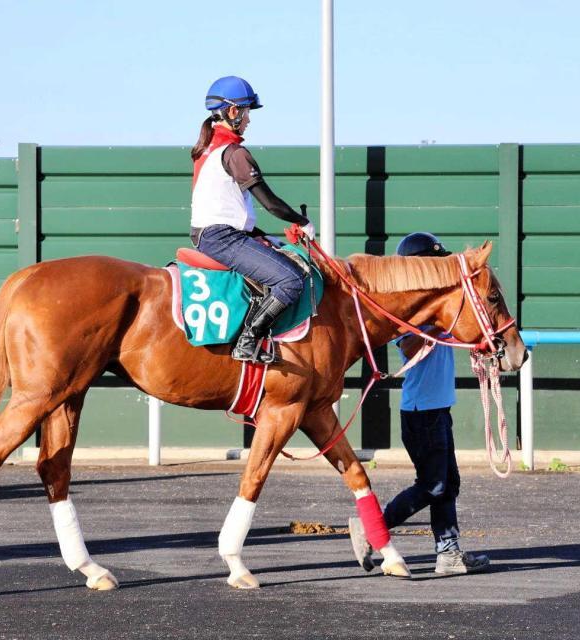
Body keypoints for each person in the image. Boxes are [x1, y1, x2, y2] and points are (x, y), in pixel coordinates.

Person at [349, 232, 491, 575]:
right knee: (433, 485)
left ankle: (448, 554)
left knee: (448, 483)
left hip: (438, 408)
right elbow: (410, 346)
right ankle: (372, 530)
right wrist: (439, 326)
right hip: (421, 413)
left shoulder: (440, 309)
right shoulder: (407, 313)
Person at [190, 75, 315, 364]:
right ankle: (247, 341)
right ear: (233, 111)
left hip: (217, 233)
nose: (248, 120)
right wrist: (302, 221)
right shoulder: (235, 153)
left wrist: (258, 234)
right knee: (291, 280)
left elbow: (225, 207)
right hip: (222, 237)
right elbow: (270, 203)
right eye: (246, 112)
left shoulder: (209, 148)